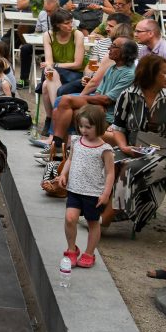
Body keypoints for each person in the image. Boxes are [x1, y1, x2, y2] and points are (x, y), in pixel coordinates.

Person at [104, 54, 166, 233]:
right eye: (164, 73)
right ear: (150, 75)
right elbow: (118, 127)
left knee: (129, 169)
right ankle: (101, 207)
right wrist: (124, 146)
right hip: (135, 147)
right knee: (107, 159)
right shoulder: (128, 95)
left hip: (163, 155)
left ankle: (107, 217)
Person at [57, 104, 116, 272]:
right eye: (81, 126)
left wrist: (106, 193)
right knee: (70, 218)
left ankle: (89, 253)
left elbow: (110, 173)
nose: (83, 130)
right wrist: (63, 174)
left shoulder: (105, 149)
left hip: (93, 192)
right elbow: (70, 160)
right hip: (75, 189)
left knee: (92, 222)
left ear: (99, 126)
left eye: (88, 127)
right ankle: (71, 249)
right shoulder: (76, 141)